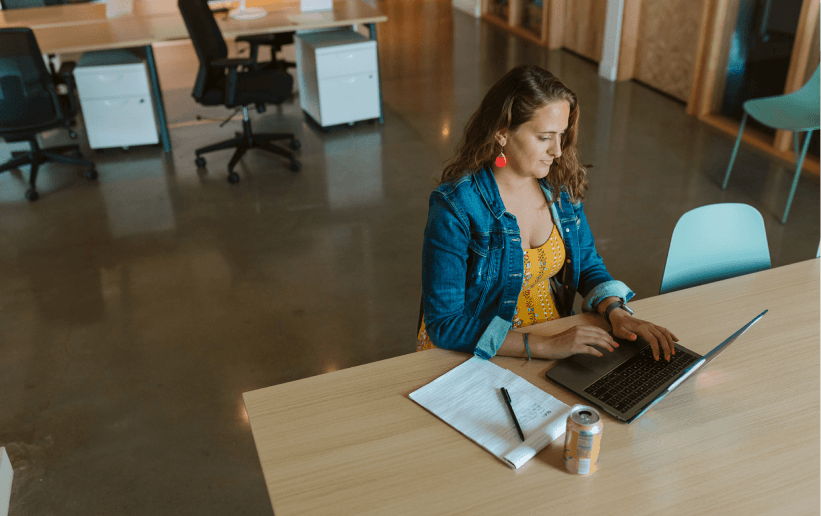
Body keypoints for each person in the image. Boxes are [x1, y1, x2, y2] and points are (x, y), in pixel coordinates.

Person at [417, 65, 678, 363]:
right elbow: (445, 324)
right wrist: (543, 346)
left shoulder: (557, 185)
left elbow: (588, 263)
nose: (558, 150)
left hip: (554, 335)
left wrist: (616, 311)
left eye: (562, 135)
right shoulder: (456, 206)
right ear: (502, 133)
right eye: (544, 137)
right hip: (478, 347)